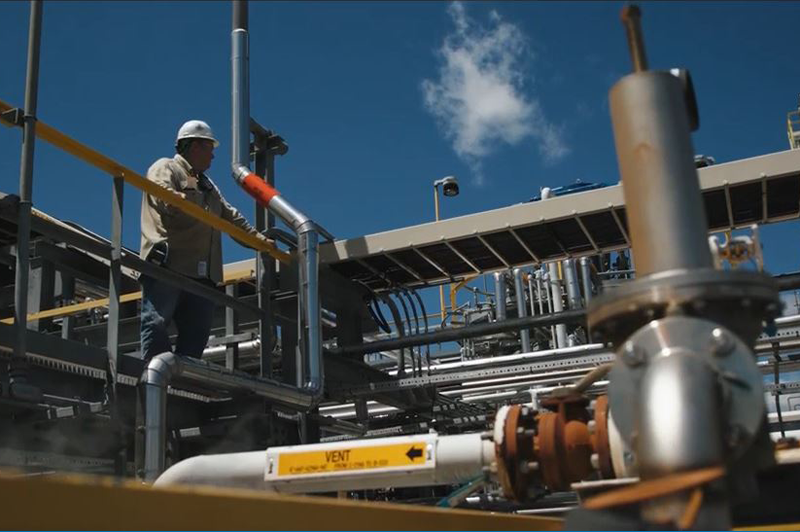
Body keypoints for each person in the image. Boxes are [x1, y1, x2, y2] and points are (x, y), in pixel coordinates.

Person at [139, 119, 267, 361]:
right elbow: (164, 196)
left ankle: (183, 382)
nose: (213, 156)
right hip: (169, 265)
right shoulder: (166, 167)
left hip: (202, 276)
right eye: (210, 149)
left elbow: (230, 216)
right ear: (195, 146)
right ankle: (153, 379)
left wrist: (260, 241)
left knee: (196, 336)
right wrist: (186, 199)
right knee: (156, 324)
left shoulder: (207, 185)